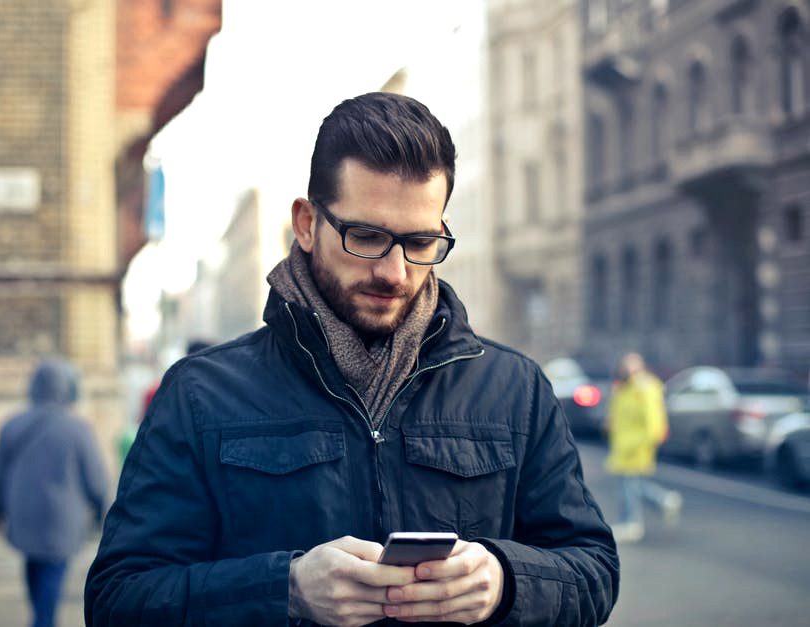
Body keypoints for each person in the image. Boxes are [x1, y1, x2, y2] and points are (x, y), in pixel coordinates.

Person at [85, 92, 618, 626]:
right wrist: (285, 589)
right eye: (366, 236)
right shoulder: (200, 394)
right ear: (306, 223)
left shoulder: (515, 387)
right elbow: (118, 600)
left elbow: (594, 571)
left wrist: (505, 581)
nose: (394, 271)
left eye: (420, 242)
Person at [0, 357, 110, 627]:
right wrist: (104, 515)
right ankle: (42, 620)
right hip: (62, 522)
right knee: (50, 580)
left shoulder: (13, 425)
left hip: (24, 518)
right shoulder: (78, 429)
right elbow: (96, 480)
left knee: (35, 571)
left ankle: (41, 618)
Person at [605, 352, 683, 543]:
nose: (625, 369)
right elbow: (618, 413)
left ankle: (631, 522)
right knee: (631, 484)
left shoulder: (645, 388)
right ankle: (665, 500)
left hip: (635, 445)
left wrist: (642, 442)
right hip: (623, 444)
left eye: (630, 365)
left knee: (628, 485)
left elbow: (654, 423)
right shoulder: (625, 388)